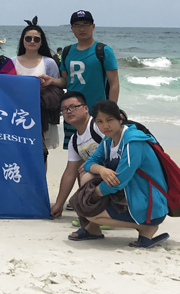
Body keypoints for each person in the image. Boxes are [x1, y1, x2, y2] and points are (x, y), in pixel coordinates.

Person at [68, 100, 169, 248]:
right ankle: (92, 229)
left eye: (109, 120)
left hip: (148, 201)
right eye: (100, 122)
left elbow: (119, 181)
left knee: (90, 211)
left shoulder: (133, 142)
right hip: (129, 193)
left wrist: (92, 195)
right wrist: (101, 170)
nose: (105, 126)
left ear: (120, 118)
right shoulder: (109, 140)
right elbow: (89, 163)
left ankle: (146, 227)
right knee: (87, 176)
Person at [39, 10, 119, 149]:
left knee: (98, 153)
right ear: (72, 29)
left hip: (97, 113)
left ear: (93, 26)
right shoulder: (67, 51)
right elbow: (65, 81)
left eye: (85, 24)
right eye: (77, 25)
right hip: (72, 113)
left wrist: (110, 111)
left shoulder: (103, 51)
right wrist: (52, 81)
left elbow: (114, 83)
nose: (82, 29)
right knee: (74, 152)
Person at [11, 17, 61, 164]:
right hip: (18, 115)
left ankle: (41, 180)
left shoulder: (49, 62)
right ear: (22, 40)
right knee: (19, 154)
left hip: (41, 114)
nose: (32, 41)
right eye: (28, 38)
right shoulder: (12, 62)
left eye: (36, 39)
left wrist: (46, 85)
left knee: (41, 154)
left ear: (41, 42)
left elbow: (57, 87)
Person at [50, 91, 104, 218]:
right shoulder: (74, 141)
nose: (69, 111)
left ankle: (97, 216)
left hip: (117, 173)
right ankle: (94, 213)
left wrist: (93, 163)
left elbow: (117, 148)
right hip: (101, 177)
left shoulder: (98, 126)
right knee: (82, 171)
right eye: (64, 109)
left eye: (73, 107)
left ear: (86, 109)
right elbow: (70, 173)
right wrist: (59, 204)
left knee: (86, 172)